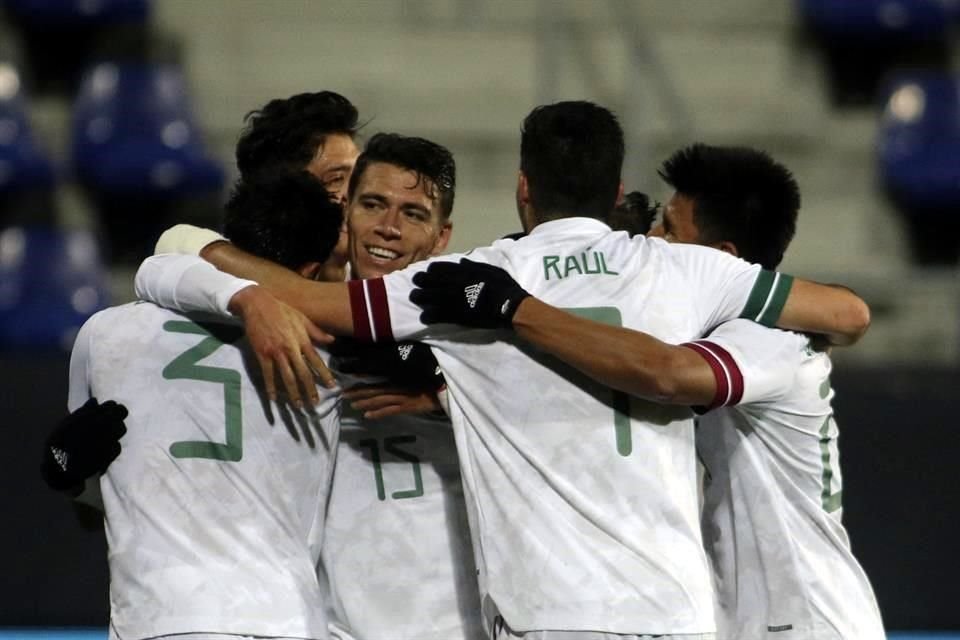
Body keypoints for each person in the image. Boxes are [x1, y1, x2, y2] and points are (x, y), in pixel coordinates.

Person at [132, 100, 870, 639]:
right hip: (682, 610)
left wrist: (204, 257)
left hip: (583, 615)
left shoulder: (470, 284)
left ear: (522, 189)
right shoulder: (682, 273)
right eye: (365, 200)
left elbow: (320, 305)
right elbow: (849, 314)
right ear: (616, 194)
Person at [411, 143, 884, 639]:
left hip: (807, 618)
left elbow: (660, 373)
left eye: (669, 233)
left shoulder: (765, 340)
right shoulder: (716, 329)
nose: (652, 242)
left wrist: (516, 307)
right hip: (749, 615)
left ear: (720, 258)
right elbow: (611, 386)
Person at [65, 171, 343, 640]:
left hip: (160, 619)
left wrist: (66, 470)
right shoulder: (332, 355)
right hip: (284, 619)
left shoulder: (103, 334)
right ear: (312, 272)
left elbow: (89, 503)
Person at [236, 90, 362, 282]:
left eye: (359, 176)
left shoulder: (399, 283)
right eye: (336, 179)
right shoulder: (224, 286)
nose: (358, 192)